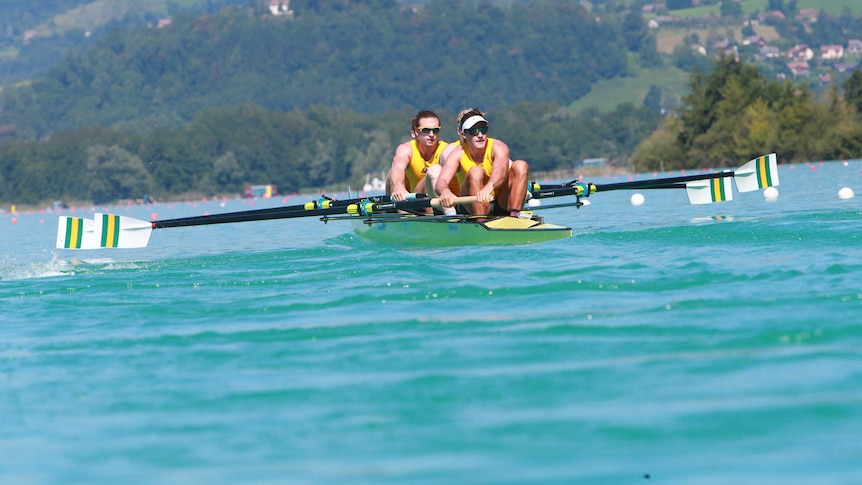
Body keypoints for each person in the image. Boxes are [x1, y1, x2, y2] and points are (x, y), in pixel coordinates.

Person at [434, 108, 529, 217]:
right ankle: (480, 220)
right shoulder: (457, 153)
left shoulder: (498, 147)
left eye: (483, 130)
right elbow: (441, 181)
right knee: (476, 171)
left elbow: (500, 170)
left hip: (500, 202)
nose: (480, 135)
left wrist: (489, 186)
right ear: (464, 134)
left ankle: (514, 215)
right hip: (471, 205)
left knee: (521, 165)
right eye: (474, 131)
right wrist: (445, 191)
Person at [386, 110, 460, 208]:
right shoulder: (406, 149)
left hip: (443, 201)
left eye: (435, 130)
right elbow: (398, 167)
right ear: (414, 133)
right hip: (417, 200)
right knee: (391, 174)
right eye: (426, 130)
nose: (431, 134)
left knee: (430, 175)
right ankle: (394, 214)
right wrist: (398, 186)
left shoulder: (446, 150)